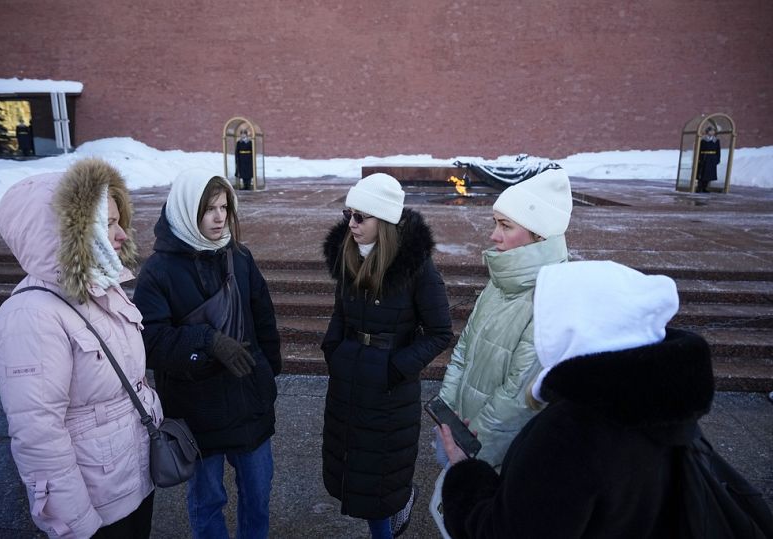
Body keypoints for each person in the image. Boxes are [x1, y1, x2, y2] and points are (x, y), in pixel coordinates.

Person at [437, 260, 772, 538]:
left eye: (550, 317)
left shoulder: (571, 433)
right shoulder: (661, 410)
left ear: (579, 325)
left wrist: (466, 475)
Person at [0, 158, 163, 538]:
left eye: (119, 221)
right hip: (95, 511)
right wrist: (78, 525)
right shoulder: (31, 316)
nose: (122, 235)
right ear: (69, 232)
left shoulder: (103, 292)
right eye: (109, 224)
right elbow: (40, 439)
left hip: (130, 484)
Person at [132, 168, 281, 539]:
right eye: (209, 209)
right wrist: (207, 341)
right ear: (187, 209)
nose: (219, 217)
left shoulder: (240, 257)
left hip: (248, 402)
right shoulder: (158, 271)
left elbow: (263, 318)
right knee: (207, 501)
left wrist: (266, 374)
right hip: (196, 411)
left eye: (224, 208)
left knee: (258, 496)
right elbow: (151, 341)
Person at [321, 173, 453, 538]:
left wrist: (395, 368)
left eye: (360, 217)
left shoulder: (417, 267)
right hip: (349, 380)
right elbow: (340, 314)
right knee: (354, 470)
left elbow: (440, 332)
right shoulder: (349, 254)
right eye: (348, 214)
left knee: (380, 485)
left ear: (384, 221)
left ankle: (393, 515)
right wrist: (334, 351)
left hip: (389, 391)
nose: (351, 224)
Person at [436, 168, 572, 469]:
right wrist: (447, 413)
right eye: (495, 223)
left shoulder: (549, 299)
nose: (493, 235)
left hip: (491, 457)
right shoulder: (500, 283)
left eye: (505, 226)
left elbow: (517, 397)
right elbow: (464, 350)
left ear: (539, 234)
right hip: (459, 435)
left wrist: (472, 449)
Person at [696, 125, 721, 193]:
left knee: (709, 174)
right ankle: (699, 187)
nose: (712, 132)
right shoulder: (703, 140)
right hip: (704, 157)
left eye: (713, 131)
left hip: (712, 158)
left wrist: (717, 159)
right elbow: (699, 150)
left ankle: (705, 187)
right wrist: (699, 158)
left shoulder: (716, 140)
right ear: (708, 132)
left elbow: (718, 151)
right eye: (711, 131)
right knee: (702, 173)